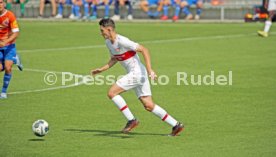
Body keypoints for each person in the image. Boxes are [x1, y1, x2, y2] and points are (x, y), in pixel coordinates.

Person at [91, 18, 184, 136]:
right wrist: (101, 69)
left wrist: (150, 70)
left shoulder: (123, 41)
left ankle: (131, 120)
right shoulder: (108, 43)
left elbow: (144, 49)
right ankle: (176, 125)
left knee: (112, 93)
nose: (101, 33)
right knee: (148, 105)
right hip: (139, 74)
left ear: (109, 29)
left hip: (137, 73)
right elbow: (114, 58)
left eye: (102, 30)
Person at [0, 0, 23, 99]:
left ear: (4, 4)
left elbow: (16, 33)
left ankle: (3, 92)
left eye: (0, 2)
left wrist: (6, 41)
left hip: (9, 46)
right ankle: (15, 59)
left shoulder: (10, 15)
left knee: (8, 68)